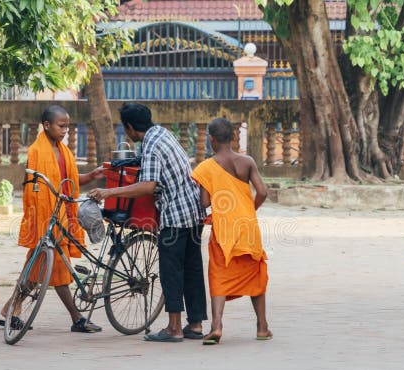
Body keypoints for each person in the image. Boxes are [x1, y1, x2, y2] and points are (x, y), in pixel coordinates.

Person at [89, 103, 207, 342]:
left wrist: (110, 193)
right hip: (193, 210)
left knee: (170, 270)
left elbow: (148, 186)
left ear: (130, 128)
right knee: (192, 268)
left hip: (176, 215)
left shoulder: (151, 146)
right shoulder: (162, 133)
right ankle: (195, 324)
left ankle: (174, 328)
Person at [0, 105, 105, 333]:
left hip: (62, 215)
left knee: (36, 268)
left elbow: (68, 181)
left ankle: (10, 308)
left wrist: (91, 176)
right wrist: (43, 218)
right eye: (61, 126)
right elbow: (35, 187)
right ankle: (77, 317)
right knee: (57, 267)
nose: (65, 130)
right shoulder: (37, 151)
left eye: (67, 126)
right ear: (47, 126)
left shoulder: (63, 151)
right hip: (46, 216)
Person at [191, 118, 272, 345]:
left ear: (211, 140)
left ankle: (216, 326)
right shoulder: (247, 161)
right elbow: (263, 191)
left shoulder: (206, 167)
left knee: (219, 274)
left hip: (224, 230)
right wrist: (249, 210)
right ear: (234, 137)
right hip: (248, 227)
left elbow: (205, 202)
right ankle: (262, 327)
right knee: (254, 273)